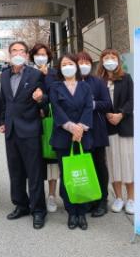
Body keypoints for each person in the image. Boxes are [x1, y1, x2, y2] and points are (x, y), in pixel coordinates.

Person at [0, 41, 47, 229]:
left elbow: (46, 100)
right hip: (11, 130)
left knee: (34, 172)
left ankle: (38, 210)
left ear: (27, 55)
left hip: (30, 129)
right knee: (15, 172)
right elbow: (4, 102)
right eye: (14, 51)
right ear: (9, 54)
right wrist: (2, 121)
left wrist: (41, 98)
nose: (17, 54)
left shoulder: (35, 74)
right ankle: (21, 205)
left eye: (21, 51)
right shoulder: (4, 75)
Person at [48, 54, 94, 230]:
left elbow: (88, 107)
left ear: (76, 66)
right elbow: (56, 109)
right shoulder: (55, 87)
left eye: (70, 63)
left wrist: (80, 128)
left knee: (82, 173)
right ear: (60, 69)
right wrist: (71, 127)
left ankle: (82, 212)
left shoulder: (85, 86)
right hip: (63, 136)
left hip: (83, 136)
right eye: (64, 64)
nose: (67, 66)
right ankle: (71, 212)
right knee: (67, 174)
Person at [97, 48, 135, 215]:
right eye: (106, 58)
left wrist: (121, 114)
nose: (110, 60)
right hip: (107, 127)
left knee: (128, 162)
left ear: (118, 61)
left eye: (113, 57)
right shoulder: (99, 81)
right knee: (113, 163)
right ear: (102, 61)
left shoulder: (126, 78)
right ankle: (118, 198)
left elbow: (132, 99)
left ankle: (131, 199)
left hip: (125, 126)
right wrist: (107, 114)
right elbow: (97, 101)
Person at [76, 51, 113, 218]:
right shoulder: (70, 81)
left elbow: (107, 104)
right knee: (84, 166)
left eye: (87, 62)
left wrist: (92, 104)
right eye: (80, 62)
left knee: (99, 165)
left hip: (96, 129)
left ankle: (102, 200)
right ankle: (89, 199)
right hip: (78, 131)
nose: (84, 65)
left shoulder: (98, 82)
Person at [29, 43, 59, 213]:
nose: (41, 57)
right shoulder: (28, 72)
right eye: (37, 54)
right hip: (32, 121)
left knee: (51, 158)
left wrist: (47, 76)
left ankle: (52, 195)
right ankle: (37, 195)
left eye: (44, 54)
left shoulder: (54, 73)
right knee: (35, 160)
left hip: (50, 120)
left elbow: (56, 93)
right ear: (32, 56)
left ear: (48, 57)